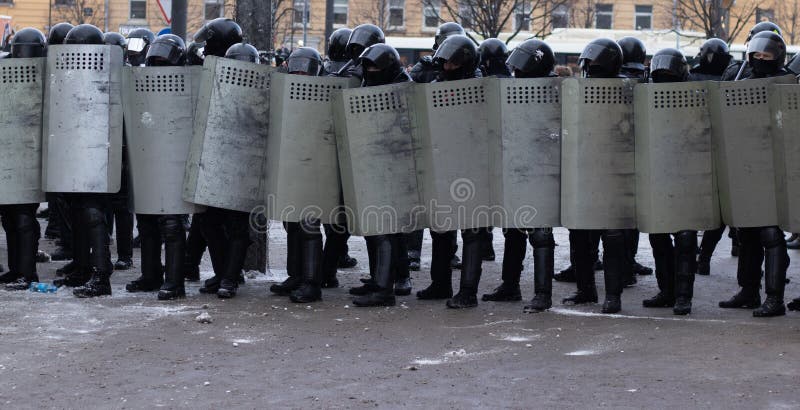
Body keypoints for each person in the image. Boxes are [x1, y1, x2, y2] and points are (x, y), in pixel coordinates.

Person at [481, 39, 557, 312]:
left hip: (543, 168)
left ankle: (542, 294)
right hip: (516, 163)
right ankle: (510, 285)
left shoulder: (555, 91)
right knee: (513, 229)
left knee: (540, 233)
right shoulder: (511, 89)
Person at [719, 31, 791, 317]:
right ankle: (749, 291)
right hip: (746, 165)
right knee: (747, 232)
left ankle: (775, 299)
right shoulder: (742, 84)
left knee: (771, 234)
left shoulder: (788, 86)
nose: (761, 60)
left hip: (777, 168)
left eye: (767, 56)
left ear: (778, 58)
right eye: (756, 56)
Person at [561, 38, 629, 314]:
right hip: (584, 169)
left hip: (613, 173)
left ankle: (613, 296)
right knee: (580, 236)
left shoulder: (627, 90)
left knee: (611, 237)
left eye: (593, 63)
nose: (589, 68)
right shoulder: (576, 89)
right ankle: (585, 289)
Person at [49, 24, 114, 298]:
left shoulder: (108, 71)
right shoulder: (68, 72)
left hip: (98, 149)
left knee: (91, 211)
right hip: (76, 148)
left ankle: (102, 275)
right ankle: (83, 266)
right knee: (77, 208)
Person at [125, 34, 191, 300]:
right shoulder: (141, 81)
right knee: (147, 220)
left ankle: (175, 282)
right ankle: (151, 275)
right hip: (149, 158)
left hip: (175, 160)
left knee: (172, 223)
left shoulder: (189, 83)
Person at [422, 34, 486, 308]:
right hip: (443, 162)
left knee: (472, 230)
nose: (447, 68)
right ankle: (441, 283)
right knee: (441, 227)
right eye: (444, 62)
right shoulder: (436, 85)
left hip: (474, 164)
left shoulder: (481, 88)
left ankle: (468, 291)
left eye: (452, 63)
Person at [348, 43, 413, 306]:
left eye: (374, 67)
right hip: (375, 162)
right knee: (378, 228)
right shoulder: (377, 84)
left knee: (385, 229)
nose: (370, 72)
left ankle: (385, 289)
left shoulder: (402, 87)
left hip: (394, 165)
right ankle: (380, 280)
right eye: (368, 67)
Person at [192, 18, 250, 299]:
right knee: (209, 221)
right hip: (214, 153)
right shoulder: (207, 68)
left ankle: (230, 277)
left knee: (237, 222)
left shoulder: (248, 66)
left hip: (243, 156)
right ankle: (225, 272)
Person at [406, 22, 469, 275]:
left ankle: (449, 252)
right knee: (419, 202)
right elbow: (408, 91)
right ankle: (413, 252)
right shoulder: (426, 67)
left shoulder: (470, 71)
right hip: (425, 139)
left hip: (454, 142)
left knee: (448, 202)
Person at [640, 48, 697, 315]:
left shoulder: (697, 98)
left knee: (685, 238)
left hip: (687, 175)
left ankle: (683, 296)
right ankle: (667, 290)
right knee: (658, 235)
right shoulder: (645, 98)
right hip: (656, 173)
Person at [269, 47, 326, 303]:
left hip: (315, 166)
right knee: (292, 223)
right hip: (292, 164)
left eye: (306, 67)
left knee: (309, 225)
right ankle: (296, 275)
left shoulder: (325, 92)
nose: (300, 71)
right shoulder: (284, 90)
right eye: (296, 66)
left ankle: (312, 282)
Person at [0, 28, 46, 291]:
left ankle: (27, 273)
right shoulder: (8, 71)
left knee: (23, 219)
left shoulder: (42, 74)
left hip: (28, 156)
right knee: (11, 217)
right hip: (11, 154)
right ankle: (18, 269)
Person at [690, 38, 735, 276]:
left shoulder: (733, 76)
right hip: (708, 149)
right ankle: (702, 256)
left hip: (715, 149)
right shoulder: (730, 75)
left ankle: (704, 256)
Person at [616, 36, 652, 284]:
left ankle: (622, 265)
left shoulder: (614, 77)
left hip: (616, 150)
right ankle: (629, 262)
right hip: (642, 151)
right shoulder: (648, 77)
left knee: (615, 218)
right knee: (632, 217)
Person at [105, 31, 135, 272]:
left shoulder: (128, 74)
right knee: (104, 204)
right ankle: (104, 250)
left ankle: (124, 254)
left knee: (121, 206)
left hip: (123, 146)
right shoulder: (97, 72)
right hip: (104, 145)